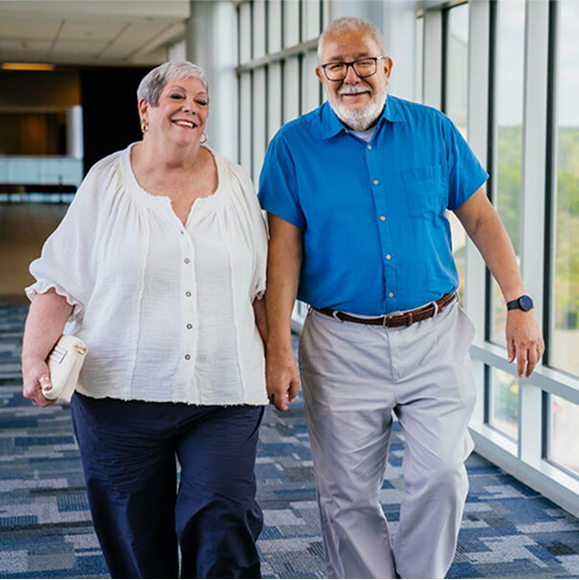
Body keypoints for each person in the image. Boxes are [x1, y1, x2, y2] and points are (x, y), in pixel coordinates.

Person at [258, 16, 544, 580]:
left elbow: (482, 217)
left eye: (363, 61)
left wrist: (520, 303)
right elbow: (282, 252)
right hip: (340, 340)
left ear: (385, 66)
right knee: (345, 493)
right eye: (336, 65)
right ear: (320, 73)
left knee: (442, 473)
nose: (351, 77)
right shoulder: (292, 147)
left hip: (434, 334)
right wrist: (277, 347)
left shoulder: (432, 130)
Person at [21, 61, 268, 580]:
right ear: (146, 109)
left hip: (224, 389)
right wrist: (32, 359)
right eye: (177, 97)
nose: (191, 109)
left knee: (223, 523)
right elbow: (59, 278)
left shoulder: (237, 183)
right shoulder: (106, 182)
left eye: (201, 101)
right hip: (119, 396)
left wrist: (280, 358)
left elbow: (260, 285)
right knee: (135, 535)